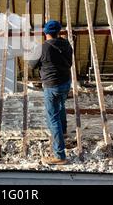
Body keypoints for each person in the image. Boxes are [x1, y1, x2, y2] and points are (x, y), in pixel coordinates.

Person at [30, 20, 73, 165]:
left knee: (52, 118)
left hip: (51, 85)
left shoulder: (42, 48)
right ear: (59, 32)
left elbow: (32, 65)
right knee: (60, 106)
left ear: (45, 32)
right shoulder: (66, 44)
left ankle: (59, 155)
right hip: (66, 83)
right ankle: (64, 132)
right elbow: (70, 63)